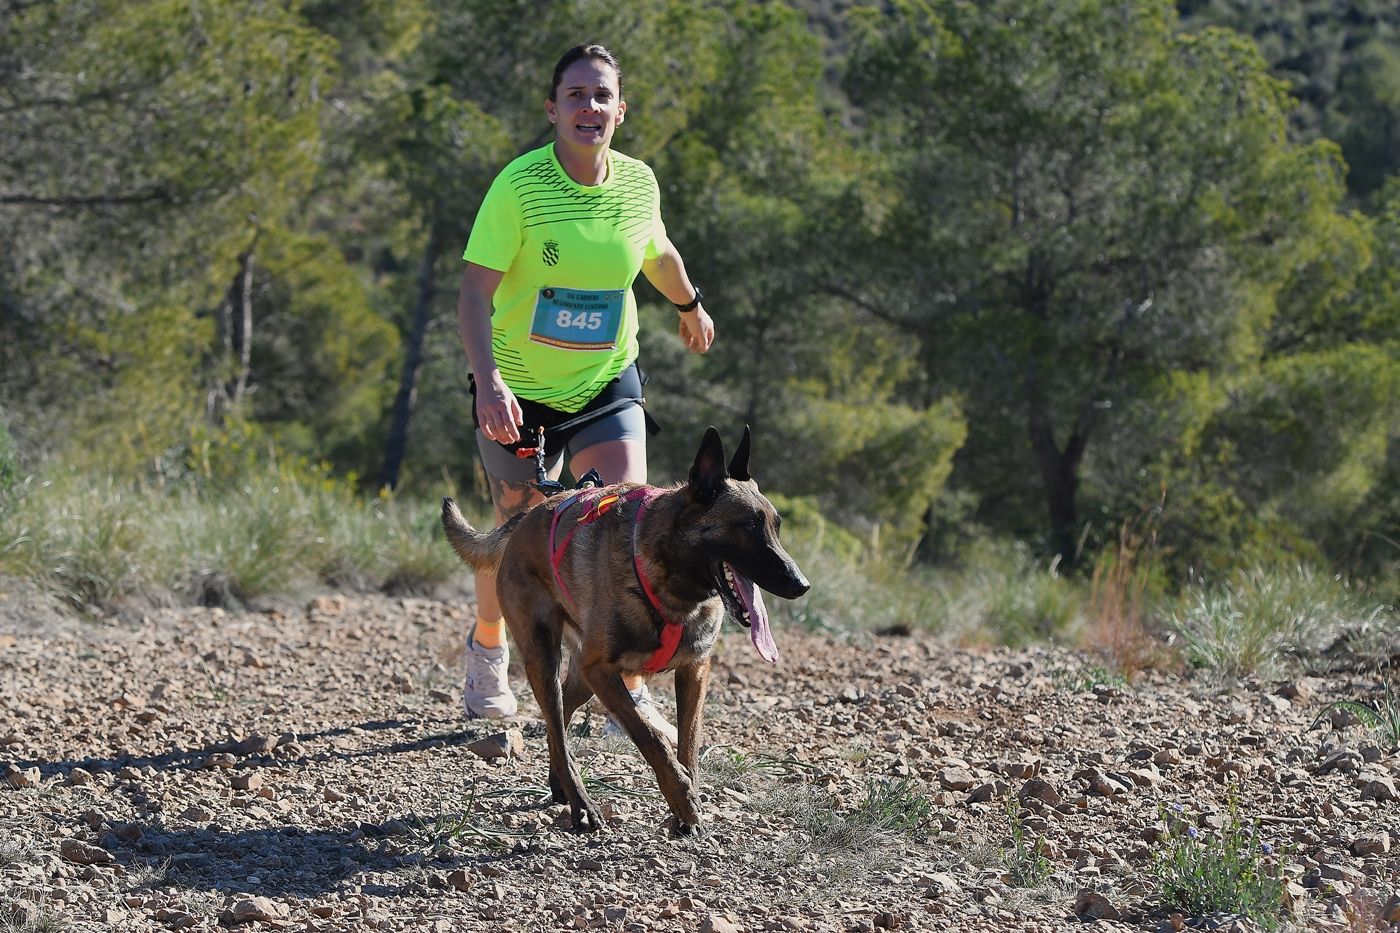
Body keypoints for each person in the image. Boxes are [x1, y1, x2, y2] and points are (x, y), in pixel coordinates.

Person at [455, 43, 715, 741]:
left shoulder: (638, 184)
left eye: (601, 96)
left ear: (620, 110)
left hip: (604, 382)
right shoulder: (519, 187)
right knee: (516, 538)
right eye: (575, 95)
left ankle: (622, 677)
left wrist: (690, 307)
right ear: (552, 109)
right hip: (520, 389)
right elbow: (474, 293)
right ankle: (490, 651)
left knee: (631, 519)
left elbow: (656, 253)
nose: (588, 107)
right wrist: (490, 382)